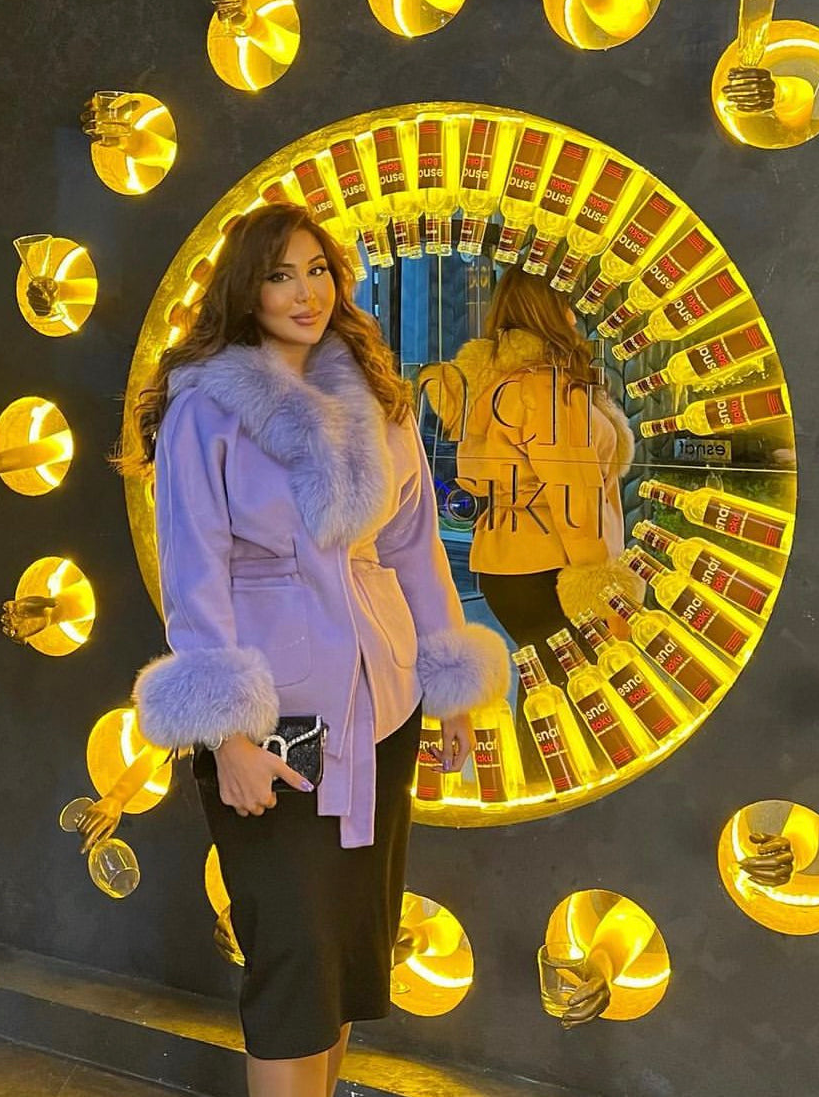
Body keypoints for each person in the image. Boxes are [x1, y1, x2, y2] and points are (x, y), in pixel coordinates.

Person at [116, 202, 508, 1097]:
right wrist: (227, 737)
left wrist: (448, 687)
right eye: (280, 274)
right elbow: (194, 573)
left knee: (345, 954)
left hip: (382, 710)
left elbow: (413, 548)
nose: (306, 292)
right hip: (276, 722)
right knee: (292, 959)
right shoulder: (206, 410)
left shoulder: (376, 398)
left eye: (318, 270)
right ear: (244, 290)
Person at [423, 268, 640, 678]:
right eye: (567, 303)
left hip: (508, 566)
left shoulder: (496, 384)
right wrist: (604, 592)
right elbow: (574, 494)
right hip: (553, 568)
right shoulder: (545, 389)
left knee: (550, 683)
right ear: (549, 309)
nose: (575, 316)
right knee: (582, 687)